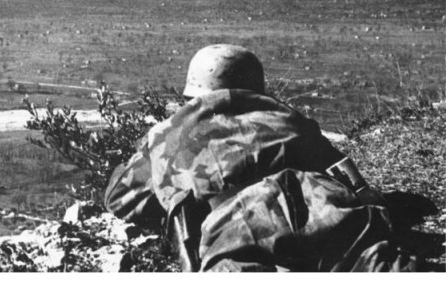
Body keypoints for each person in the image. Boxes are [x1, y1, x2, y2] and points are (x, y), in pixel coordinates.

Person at [105, 44, 416, 272]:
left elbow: (120, 199)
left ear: (193, 92)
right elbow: (347, 177)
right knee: (381, 266)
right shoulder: (289, 119)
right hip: (322, 206)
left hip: (238, 225)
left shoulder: (167, 134)